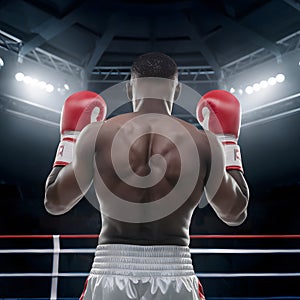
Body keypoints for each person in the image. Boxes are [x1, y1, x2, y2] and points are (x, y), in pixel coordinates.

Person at [44, 52, 249, 300]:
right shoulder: (204, 143)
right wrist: (228, 144)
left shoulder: (97, 134)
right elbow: (234, 213)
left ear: (130, 89)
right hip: (175, 276)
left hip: (110, 274)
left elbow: (54, 203)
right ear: (177, 91)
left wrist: (68, 140)